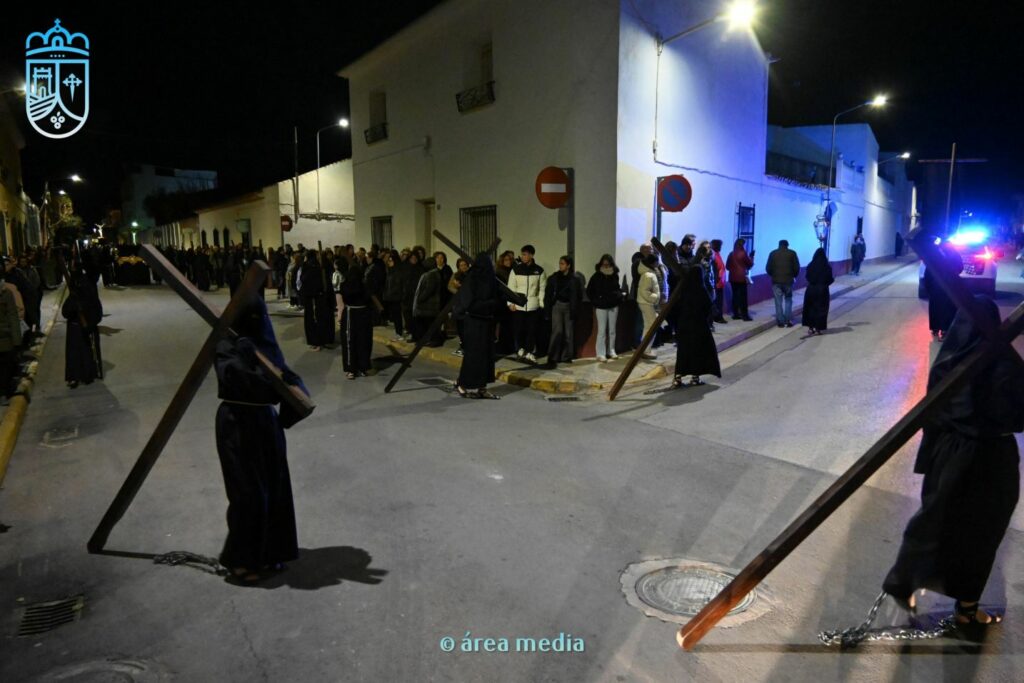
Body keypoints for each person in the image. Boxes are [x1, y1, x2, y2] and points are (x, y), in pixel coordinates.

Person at [883, 298, 1024, 637]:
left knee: (936, 518)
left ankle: (905, 580)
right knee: (981, 531)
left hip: (947, 452)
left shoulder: (948, 361)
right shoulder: (1003, 364)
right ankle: (966, 610)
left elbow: (932, 412)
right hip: (989, 457)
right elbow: (1017, 416)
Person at [214, 297, 309, 584]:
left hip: (265, 424)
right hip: (236, 424)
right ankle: (241, 560)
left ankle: (270, 552)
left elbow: (280, 379)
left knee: (275, 489)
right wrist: (247, 361)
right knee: (248, 494)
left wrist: (291, 383)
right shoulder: (226, 343)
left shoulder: (265, 343)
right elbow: (234, 376)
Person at [453, 253, 505, 399]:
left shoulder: (491, 280)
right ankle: (462, 384)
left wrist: (494, 305)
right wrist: (489, 304)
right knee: (473, 355)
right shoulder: (472, 279)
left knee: (487, 356)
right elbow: (469, 302)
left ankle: (482, 387)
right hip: (474, 321)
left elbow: (497, 298)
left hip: (487, 321)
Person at [672, 258, 721, 387]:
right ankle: (695, 377)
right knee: (697, 352)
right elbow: (708, 307)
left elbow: (676, 307)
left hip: (683, 326)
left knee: (683, 352)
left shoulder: (683, 290)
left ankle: (678, 378)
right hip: (698, 326)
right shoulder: (701, 290)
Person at [62, 270, 103, 388]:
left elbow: (97, 312)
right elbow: (65, 312)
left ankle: (87, 374)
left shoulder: (89, 294)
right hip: (75, 328)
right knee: (74, 354)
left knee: (86, 352)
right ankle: (76, 376)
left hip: (86, 328)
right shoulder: (75, 295)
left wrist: (89, 324)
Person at [507, 245, 545, 362]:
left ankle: (530, 351)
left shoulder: (539, 270)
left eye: (525, 254)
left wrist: (541, 302)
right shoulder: (516, 270)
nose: (523, 257)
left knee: (531, 330)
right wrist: (510, 303)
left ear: (531, 255)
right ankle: (520, 349)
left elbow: (542, 288)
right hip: (518, 306)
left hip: (533, 306)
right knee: (519, 329)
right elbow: (511, 288)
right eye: (522, 254)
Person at [543, 255, 582, 367]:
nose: (561, 265)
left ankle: (565, 356)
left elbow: (578, 296)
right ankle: (553, 356)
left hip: (569, 307)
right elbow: (548, 294)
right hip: (557, 305)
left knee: (568, 333)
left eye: (563, 263)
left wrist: (575, 308)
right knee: (557, 331)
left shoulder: (574, 280)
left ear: (568, 265)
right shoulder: (554, 278)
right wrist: (547, 309)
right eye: (560, 263)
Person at [340, 261, 373, 379]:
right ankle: (363, 367)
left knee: (350, 342)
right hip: (363, 314)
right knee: (363, 341)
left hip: (351, 314)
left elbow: (344, 297)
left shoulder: (345, 285)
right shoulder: (364, 285)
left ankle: (351, 369)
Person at [587, 254, 623, 362]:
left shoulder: (615, 275)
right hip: (601, 306)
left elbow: (617, 288)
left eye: (608, 264)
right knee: (602, 330)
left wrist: (618, 297)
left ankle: (611, 350)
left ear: (611, 264)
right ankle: (600, 353)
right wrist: (596, 301)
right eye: (604, 264)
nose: (606, 266)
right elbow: (589, 291)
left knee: (612, 330)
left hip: (613, 306)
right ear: (601, 264)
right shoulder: (596, 276)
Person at [926, 243, 964, 340]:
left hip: (936, 286)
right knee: (948, 308)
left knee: (935, 307)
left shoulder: (934, 255)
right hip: (949, 286)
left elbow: (928, 272)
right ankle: (945, 330)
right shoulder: (954, 254)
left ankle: (935, 328)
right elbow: (960, 267)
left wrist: (928, 287)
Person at [765, 239, 800, 328]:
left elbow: (768, 268)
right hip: (788, 281)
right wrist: (793, 276)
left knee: (778, 301)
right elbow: (796, 267)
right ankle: (788, 320)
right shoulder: (792, 253)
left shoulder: (773, 253)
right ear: (787, 245)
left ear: (779, 245)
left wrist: (773, 275)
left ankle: (780, 321)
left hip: (776, 281)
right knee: (788, 300)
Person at [802, 248, 834, 335]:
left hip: (811, 289)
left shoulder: (810, 265)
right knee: (821, 309)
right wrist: (825, 283)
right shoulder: (827, 266)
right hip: (822, 290)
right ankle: (818, 328)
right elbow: (830, 279)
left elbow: (807, 277)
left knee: (810, 308)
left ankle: (810, 327)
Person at [412, 257, 443, 346]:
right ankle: (429, 340)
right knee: (427, 324)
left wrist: (420, 299)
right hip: (427, 305)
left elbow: (429, 289)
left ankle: (433, 341)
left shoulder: (432, 274)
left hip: (428, 305)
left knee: (429, 324)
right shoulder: (431, 273)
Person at [0, 270, 21, 399]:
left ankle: (3, 392)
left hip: (5, 338)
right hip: (5, 337)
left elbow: (13, 316)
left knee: (5, 367)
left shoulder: (6, 294)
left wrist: (16, 340)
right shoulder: (6, 293)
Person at [635, 254, 661, 359]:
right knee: (652, 326)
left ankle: (644, 348)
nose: (658, 263)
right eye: (657, 261)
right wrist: (655, 298)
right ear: (652, 263)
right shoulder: (648, 275)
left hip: (645, 302)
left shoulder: (649, 273)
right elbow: (644, 291)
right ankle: (645, 349)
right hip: (647, 303)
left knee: (648, 326)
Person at [299, 250, 326, 350]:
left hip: (312, 297)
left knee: (313, 320)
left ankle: (317, 342)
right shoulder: (315, 266)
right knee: (313, 319)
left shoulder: (311, 267)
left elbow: (303, 279)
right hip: (314, 296)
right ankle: (316, 341)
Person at [494, 251, 516, 355]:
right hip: (502, 302)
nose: (508, 262)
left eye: (510, 260)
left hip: (512, 301)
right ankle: (503, 346)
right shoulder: (499, 272)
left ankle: (510, 346)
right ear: (502, 261)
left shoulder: (514, 271)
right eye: (506, 260)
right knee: (503, 325)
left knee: (511, 325)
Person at [726, 238, 754, 321]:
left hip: (732, 278)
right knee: (743, 297)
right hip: (741, 277)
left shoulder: (731, 254)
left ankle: (736, 314)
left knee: (735, 296)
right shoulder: (743, 253)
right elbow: (750, 264)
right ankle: (745, 315)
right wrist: (752, 256)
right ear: (742, 245)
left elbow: (727, 266)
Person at [710, 239, 729, 325]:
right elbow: (715, 269)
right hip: (717, 283)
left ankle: (717, 316)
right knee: (717, 302)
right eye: (719, 246)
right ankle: (718, 317)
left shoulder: (717, 254)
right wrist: (717, 280)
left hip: (720, 282)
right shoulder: (713, 255)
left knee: (718, 301)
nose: (721, 247)